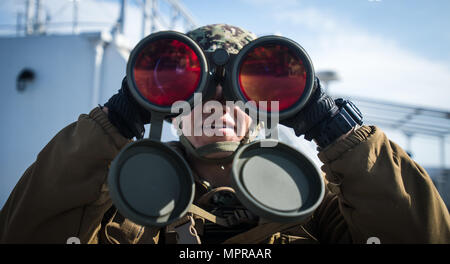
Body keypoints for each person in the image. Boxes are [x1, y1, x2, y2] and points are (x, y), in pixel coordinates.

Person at [0, 24, 449, 244]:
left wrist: (331, 123)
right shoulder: (122, 209)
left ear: (259, 108)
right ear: (168, 106)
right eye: (192, 86)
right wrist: (118, 119)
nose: (216, 100)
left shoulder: (320, 207)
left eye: (238, 86)